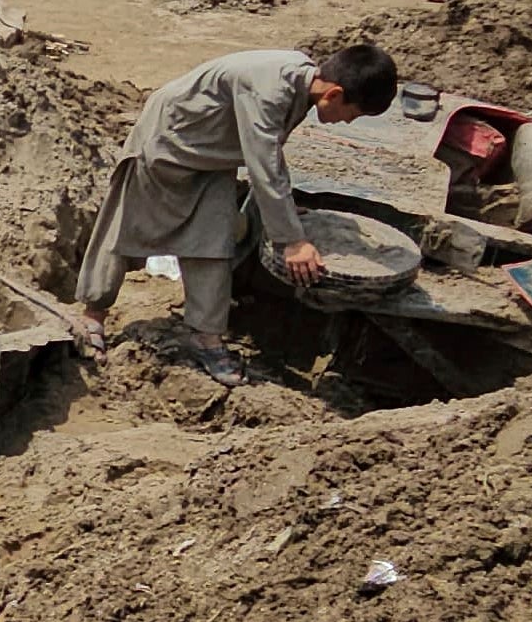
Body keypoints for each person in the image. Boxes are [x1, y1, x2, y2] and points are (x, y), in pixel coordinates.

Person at [75, 42, 400, 386]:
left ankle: (206, 337)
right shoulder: (270, 90)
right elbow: (263, 167)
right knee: (123, 227)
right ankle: (93, 315)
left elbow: (271, 154)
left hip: (213, 158)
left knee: (213, 243)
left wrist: (284, 210)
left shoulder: (303, 83)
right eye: (355, 113)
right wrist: (291, 240)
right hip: (168, 142)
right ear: (334, 94)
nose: (348, 122)